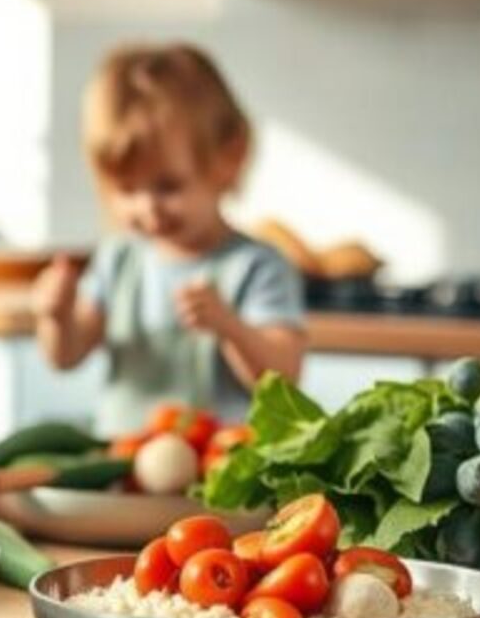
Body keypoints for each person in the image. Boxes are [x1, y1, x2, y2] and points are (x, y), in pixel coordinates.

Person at [32, 44, 306, 431]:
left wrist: (230, 327)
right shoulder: (119, 258)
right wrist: (56, 316)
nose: (148, 208)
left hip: (224, 477)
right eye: (127, 190)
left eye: (168, 187)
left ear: (229, 158)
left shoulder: (258, 266)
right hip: (126, 474)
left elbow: (284, 378)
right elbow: (66, 357)